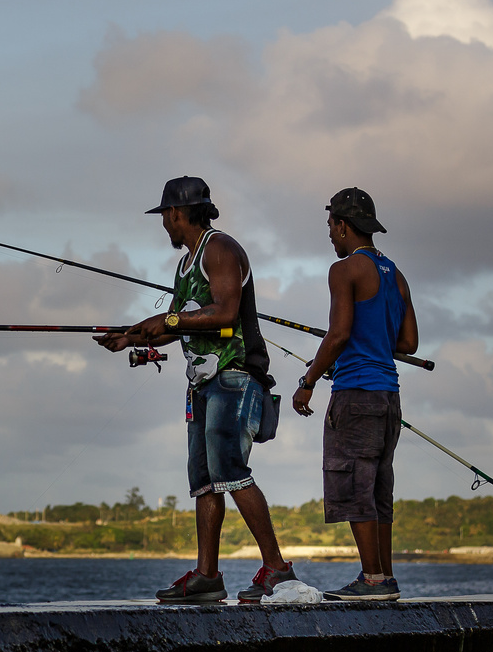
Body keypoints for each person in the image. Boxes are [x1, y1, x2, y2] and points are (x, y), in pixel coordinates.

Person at [95, 176, 295, 603]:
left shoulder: (220, 250)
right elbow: (177, 322)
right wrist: (131, 337)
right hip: (202, 384)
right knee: (204, 482)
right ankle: (207, 576)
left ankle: (277, 568)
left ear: (176, 214)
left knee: (232, 473)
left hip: (234, 376)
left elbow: (223, 314)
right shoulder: (185, 266)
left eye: (164, 217)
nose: (164, 225)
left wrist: (167, 322)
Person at [291, 188, 419, 601]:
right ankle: (385, 576)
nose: (330, 235)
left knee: (354, 484)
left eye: (331, 226)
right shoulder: (395, 274)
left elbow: (339, 334)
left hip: (355, 393)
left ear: (343, 226)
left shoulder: (343, 270)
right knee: (380, 488)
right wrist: (375, 336)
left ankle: (372, 580)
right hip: (388, 398)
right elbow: (410, 343)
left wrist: (308, 381)